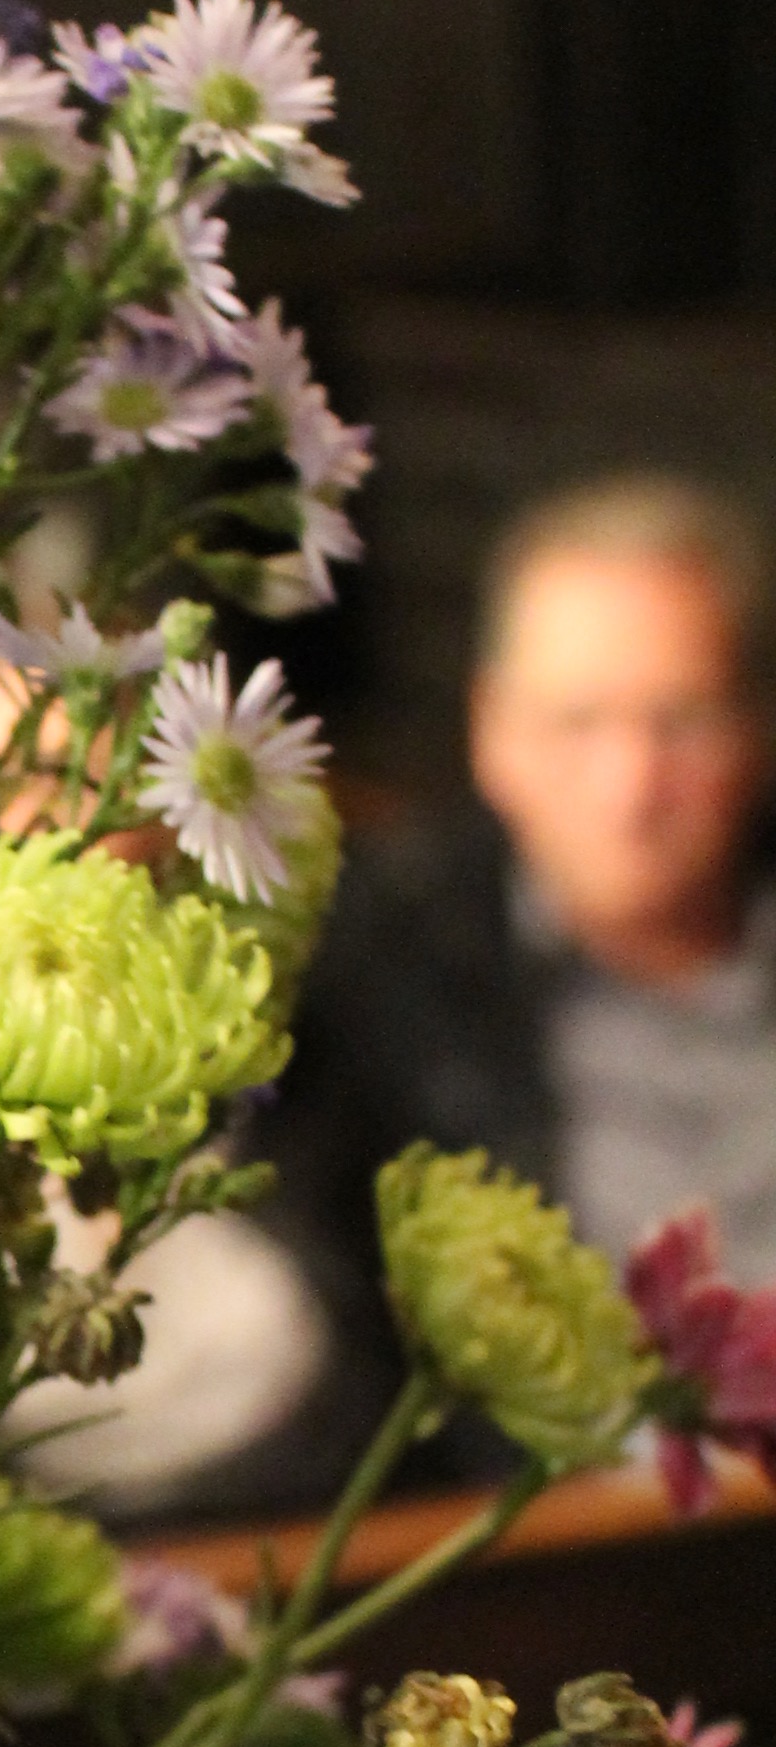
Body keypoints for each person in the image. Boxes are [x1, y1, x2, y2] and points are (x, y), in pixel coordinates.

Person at [259, 473, 776, 1489]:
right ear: (491, 730)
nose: (631, 788)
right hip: (557, 1542)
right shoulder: (367, 983)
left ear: (755, 728)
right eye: (577, 723)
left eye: (681, 721)